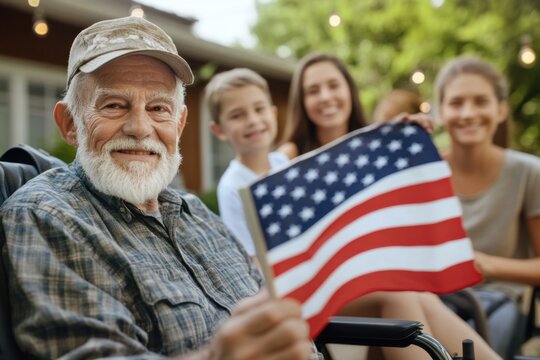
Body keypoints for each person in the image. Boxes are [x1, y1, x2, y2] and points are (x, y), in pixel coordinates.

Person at [0, 17, 315, 360]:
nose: (140, 127)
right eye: (114, 105)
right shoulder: (48, 216)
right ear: (70, 124)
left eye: (158, 108)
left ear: (179, 124)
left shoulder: (199, 215)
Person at [277, 52, 501, 360]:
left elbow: (410, 218)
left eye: (333, 85)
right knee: (401, 294)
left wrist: (411, 139)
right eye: (313, 90)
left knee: (415, 294)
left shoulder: (376, 150)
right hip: (322, 291)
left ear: (349, 92)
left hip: (375, 280)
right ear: (301, 101)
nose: (326, 96)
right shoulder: (288, 157)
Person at [435, 56, 540, 348]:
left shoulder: (529, 173)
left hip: (498, 302)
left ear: (501, 109)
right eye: (456, 103)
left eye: (481, 101)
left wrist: (486, 265)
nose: (468, 113)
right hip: (435, 298)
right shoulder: (425, 172)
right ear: (441, 112)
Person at [205, 68, 288, 261]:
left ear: (273, 113)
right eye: (237, 115)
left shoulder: (283, 163)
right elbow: (251, 259)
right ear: (219, 130)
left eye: (259, 109)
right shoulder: (232, 188)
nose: (253, 120)